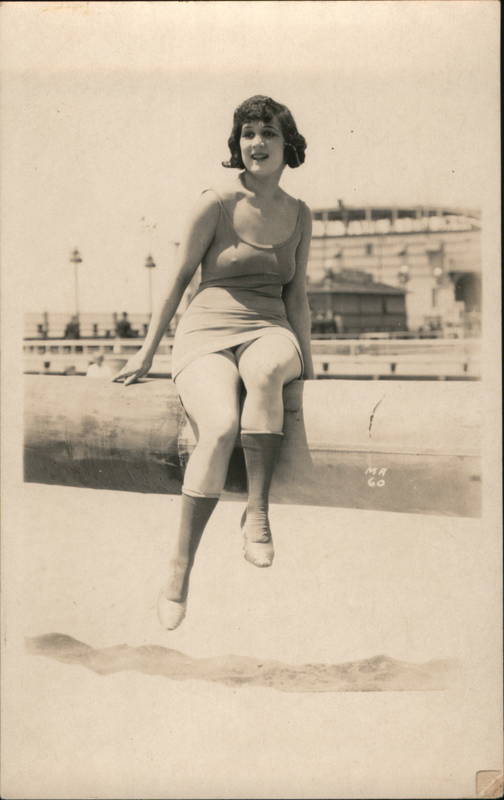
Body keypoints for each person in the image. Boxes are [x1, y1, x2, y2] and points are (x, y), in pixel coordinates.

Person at [113, 95, 314, 630]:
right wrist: (147, 350)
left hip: (270, 328)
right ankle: (179, 568)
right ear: (237, 144)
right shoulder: (215, 203)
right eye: (248, 134)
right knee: (220, 426)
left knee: (268, 374)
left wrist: (309, 363)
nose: (257, 144)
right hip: (206, 330)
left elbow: (297, 295)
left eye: (268, 133)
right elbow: (179, 280)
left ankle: (259, 515)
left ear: (286, 142)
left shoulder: (300, 214)